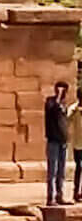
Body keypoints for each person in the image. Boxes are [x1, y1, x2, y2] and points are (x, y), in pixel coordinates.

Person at [46, 78, 72, 207]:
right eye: (61, 90)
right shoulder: (50, 102)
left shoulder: (64, 104)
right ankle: (50, 197)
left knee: (61, 171)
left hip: (62, 141)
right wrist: (58, 96)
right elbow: (53, 110)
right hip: (53, 141)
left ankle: (60, 195)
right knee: (53, 170)